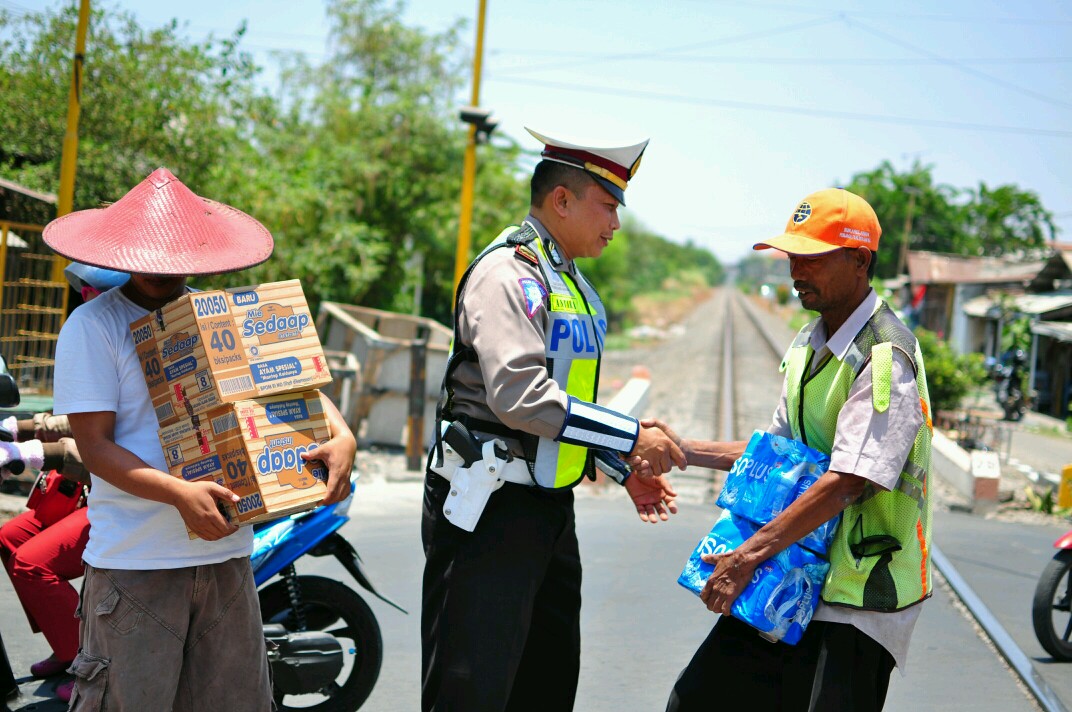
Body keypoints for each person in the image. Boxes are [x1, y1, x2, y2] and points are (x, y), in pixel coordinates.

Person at [44, 167, 357, 711]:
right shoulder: (93, 326)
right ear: (125, 253)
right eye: (150, 256)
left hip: (227, 559)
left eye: (175, 258)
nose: (162, 269)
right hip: (135, 569)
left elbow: (287, 387)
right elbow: (94, 448)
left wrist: (343, 435)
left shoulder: (221, 316)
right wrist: (178, 494)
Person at [422, 128, 686, 712]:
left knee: (545, 684)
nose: (615, 223)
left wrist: (620, 467)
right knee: (471, 689)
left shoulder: (566, 280)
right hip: (488, 512)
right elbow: (521, 397)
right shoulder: (509, 276)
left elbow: (562, 404)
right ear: (561, 200)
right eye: (608, 206)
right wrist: (634, 436)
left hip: (546, 509)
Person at [659, 188, 933, 712]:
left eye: (813, 258)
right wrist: (685, 449)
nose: (795, 270)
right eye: (793, 257)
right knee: (694, 701)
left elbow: (851, 479)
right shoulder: (810, 341)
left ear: (859, 260)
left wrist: (745, 556)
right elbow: (779, 453)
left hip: (857, 593)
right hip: (792, 572)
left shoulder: (884, 355)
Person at [0, 263, 126, 704]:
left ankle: (85, 662)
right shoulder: (96, 338)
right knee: (10, 536)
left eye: (97, 291)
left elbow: (98, 447)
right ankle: (64, 640)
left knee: (32, 562)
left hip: (124, 496)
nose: (88, 298)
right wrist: (15, 428)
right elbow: (69, 419)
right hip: (92, 490)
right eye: (86, 290)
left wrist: (25, 453)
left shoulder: (136, 345)